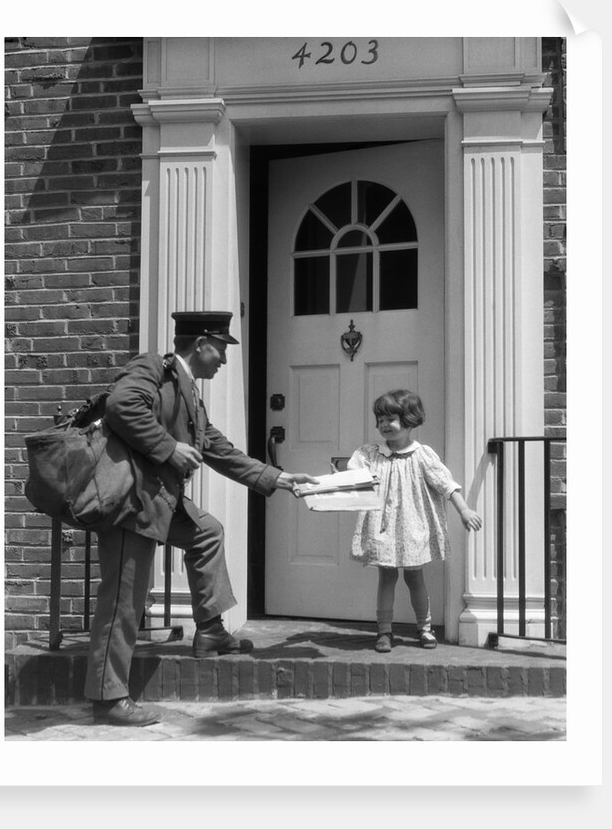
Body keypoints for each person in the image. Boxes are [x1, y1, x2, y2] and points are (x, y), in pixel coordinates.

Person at [85, 310, 318, 726]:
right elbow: (121, 406)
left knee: (207, 532)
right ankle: (108, 696)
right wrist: (168, 447)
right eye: (222, 349)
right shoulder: (153, 367)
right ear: (201, 344)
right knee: (123, 597)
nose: (225, 360)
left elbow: (216, 446)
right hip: (131, 501)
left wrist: (278, 478)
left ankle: (210, 629)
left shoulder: (189, 391)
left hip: (159, 500)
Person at [347, 389, 482, 653]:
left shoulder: (422, 455)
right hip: (382, 526)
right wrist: (339, 480)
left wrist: (464, 510)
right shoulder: (369, 454)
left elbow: (446, 485)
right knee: (386, 577)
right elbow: (353, 477)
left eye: (391, 419)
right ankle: (384, 631)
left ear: (409, 421)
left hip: (412, 527)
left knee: (414, 577)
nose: (384, 425)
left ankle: (425, 628)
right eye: (381, 419)